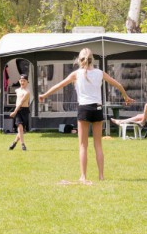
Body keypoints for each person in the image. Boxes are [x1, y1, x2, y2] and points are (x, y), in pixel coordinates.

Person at [39, 48, 134, 184]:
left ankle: (83, 176)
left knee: (83, 145)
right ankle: (101, 176)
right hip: (97, 108)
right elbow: (118, 84)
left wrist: (44, 95)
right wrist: (125, 96)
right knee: (98, 145)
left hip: (84, 109)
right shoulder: (100, 73)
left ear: (79, 60)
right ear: (92, 59)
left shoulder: (76, 74)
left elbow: (58, 86)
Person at [9, 74, 30, 151]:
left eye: (24, 81)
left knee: (21, 130)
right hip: (18, 110)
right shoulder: (17, 90)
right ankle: (23, 144)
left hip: (24, 110)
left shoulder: (27, 92)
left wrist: (14, 112)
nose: (22, 82)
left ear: (27, 82)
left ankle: (14, 143)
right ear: (19, 81)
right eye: (21, 80)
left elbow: (21, 102)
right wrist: (16, 111)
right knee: (20, 128)